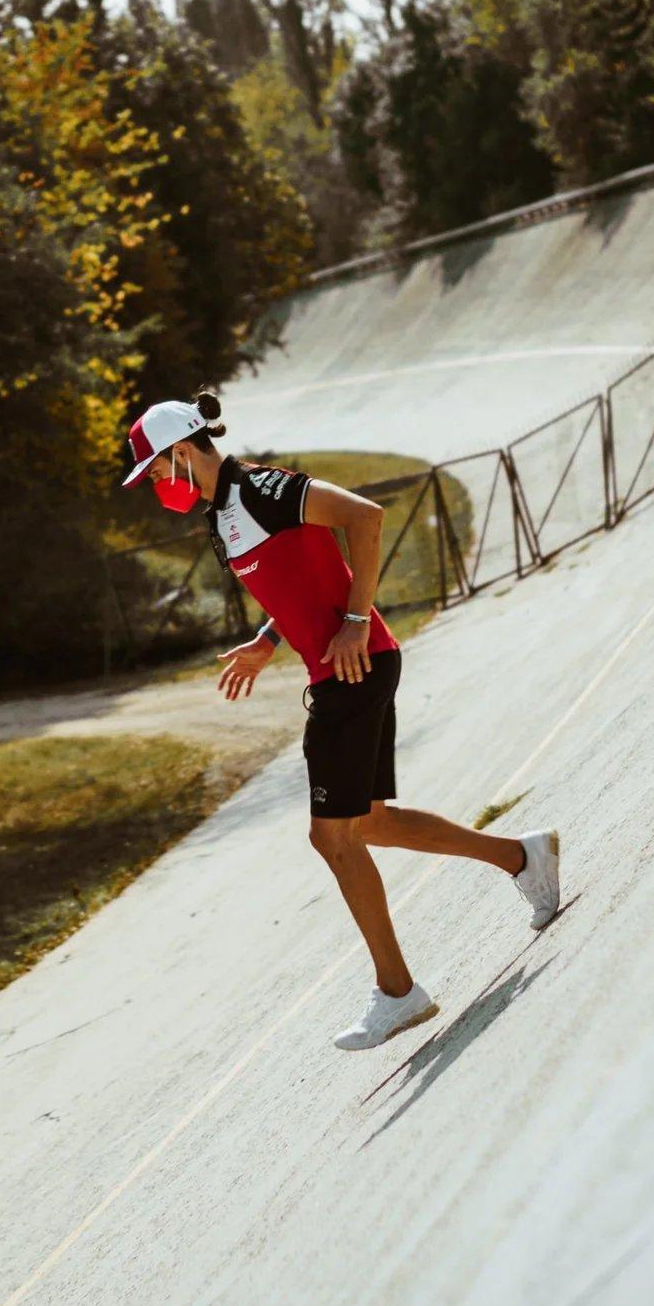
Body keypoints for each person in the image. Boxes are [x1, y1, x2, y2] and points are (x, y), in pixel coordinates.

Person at [121, 389, 561, 1051]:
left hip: (351, 671)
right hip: (346, 670)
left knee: (330, 839)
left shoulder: (265, 489)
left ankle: (398, 991)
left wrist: (356, 620)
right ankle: (523, 856)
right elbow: (300, 580)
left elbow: (365, 516)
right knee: (369, 824)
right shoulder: (223, 517)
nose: (154, 483)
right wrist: (267, 642)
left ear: (182, 452)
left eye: (155, 469)